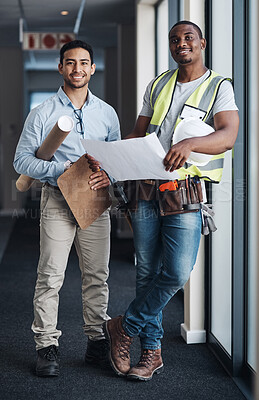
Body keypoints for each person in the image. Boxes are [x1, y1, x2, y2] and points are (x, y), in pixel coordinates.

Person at [102, 21, 239, 381]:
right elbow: (138, 132)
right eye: (175, 39)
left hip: (185, 193)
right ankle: (151, 353)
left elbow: (227, 136)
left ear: (203, 43)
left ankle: (123, 327)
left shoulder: (218, 87)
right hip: (145, 191)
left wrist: (190, 144)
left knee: (177, 272)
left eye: (188, 38)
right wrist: (110, 159)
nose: (182, 44)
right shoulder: (159, 84)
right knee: (146, 273)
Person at [13, 40, 120, 377]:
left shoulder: (106, 113)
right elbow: (22, 161)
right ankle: (46, 345)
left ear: (92, 67)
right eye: (70, 63)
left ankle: (96, 343)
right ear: (61, 67)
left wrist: (108, 174)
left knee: (97, 277)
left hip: (95, 202)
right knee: (51, 275)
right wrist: (62, 171)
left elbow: (116, 159)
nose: (77, 69)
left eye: (84, 62)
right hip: (58, 198)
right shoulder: (43, 113)